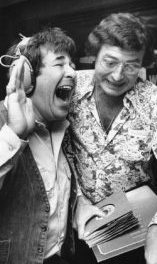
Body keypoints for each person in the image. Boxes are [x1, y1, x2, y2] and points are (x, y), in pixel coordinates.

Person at [69, 13, 157, 264]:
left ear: (142, 64)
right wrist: (77, 199)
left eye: (131, 65)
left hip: (137, 225)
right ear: (94, 54)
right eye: (110, 62)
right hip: (80, 228)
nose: (118, 76)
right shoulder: (69, 88)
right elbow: (58, 150)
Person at [0, 27, 78, 264]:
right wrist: (13, 134)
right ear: (26, 76)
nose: (73, 72)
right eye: (59, 63)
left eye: (71, 64)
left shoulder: (63, 127)